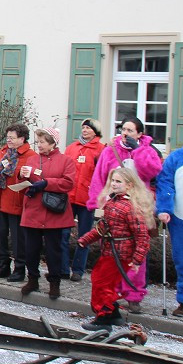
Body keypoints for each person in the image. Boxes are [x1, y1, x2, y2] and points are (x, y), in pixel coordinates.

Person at [86, 116, 163, 313]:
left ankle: (134, 294)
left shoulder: (147, 150)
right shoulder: (110, 150)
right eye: (123, 129)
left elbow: (152, 171)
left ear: (139, 134)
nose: (125, 133)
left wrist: (137, 150)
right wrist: (96, 200)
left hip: (138, 206)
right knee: (113, 250)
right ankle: (114, 293)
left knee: (136, 248)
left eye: (130, 130)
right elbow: (100, 175)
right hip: (115, 207)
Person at [79, 167, 154, 330]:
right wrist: (85, 240)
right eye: (112, 180)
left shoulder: (130, 207)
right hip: (110, 252)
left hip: (120, 254)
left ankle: (104, 319)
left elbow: (142, 236)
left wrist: (137, 259)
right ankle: (113, 315)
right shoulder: (112, 203)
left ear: (129, 185)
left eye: (118, 181)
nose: (113, 184)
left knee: (102, 284)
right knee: (104, 283)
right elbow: (103, 227)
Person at [18, 127, 76, 299]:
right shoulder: (33, 159)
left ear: (52, 143)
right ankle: (33, 279)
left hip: (54, 211)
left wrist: (46, 183)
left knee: (54, 250)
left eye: (42, 141)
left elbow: (68, 183)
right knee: (31, 249)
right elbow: (26, 180)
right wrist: (22, 176)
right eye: (38, 141)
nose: (39, 145)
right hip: (34, 210)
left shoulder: (66, 161)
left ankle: (54, 282)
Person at [0, 123, 36, 281]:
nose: (9, 140)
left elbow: (33, 179)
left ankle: (19, 269)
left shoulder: (30, 156)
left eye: (12, 138)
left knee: (18, 239)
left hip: (17, 204)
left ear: (22, 138)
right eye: (8, 137)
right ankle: (3, 265)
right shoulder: (3, 152)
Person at [61, 118, 106, 281]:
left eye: (88, 128)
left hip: (87, 200)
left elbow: (102, 175)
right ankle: (63, 268)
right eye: (83, 127)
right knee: (63, 234)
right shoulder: (72, 148)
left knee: (84, 236)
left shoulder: (101, 150)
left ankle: (78, 270)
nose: (85, 130)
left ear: (96, 131)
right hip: (69, 197)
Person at [156, 147, 183, 316]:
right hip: (180, 217)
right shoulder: (176, 157)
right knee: (182, 260)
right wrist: (165, 208)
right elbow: (165, 182)